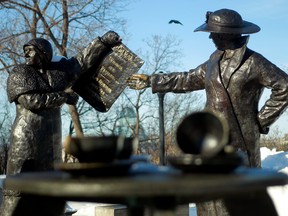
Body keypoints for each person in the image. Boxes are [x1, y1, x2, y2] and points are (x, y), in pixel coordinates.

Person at [127, 8, 288, 215]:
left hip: (240, 143)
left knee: (237, 200)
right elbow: (187, 78)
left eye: (213, 32)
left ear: (225, 34)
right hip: (210, 141)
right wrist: (151, 80)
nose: (210, 36)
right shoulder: (214, 60)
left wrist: (259, 122)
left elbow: (284, 86)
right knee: (208, 197)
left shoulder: (254, 62)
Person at [1, 31, 121, 216]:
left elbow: (81, 62)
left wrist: (103, 42)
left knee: (51, 189)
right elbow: (32, 101)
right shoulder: (20, 72)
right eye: (26, 51)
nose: (26, 55)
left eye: (31, 51)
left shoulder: (57, 73)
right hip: (25, 139)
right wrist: (63, 96)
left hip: (50, 140)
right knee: (17, 190)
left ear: (43, 54)